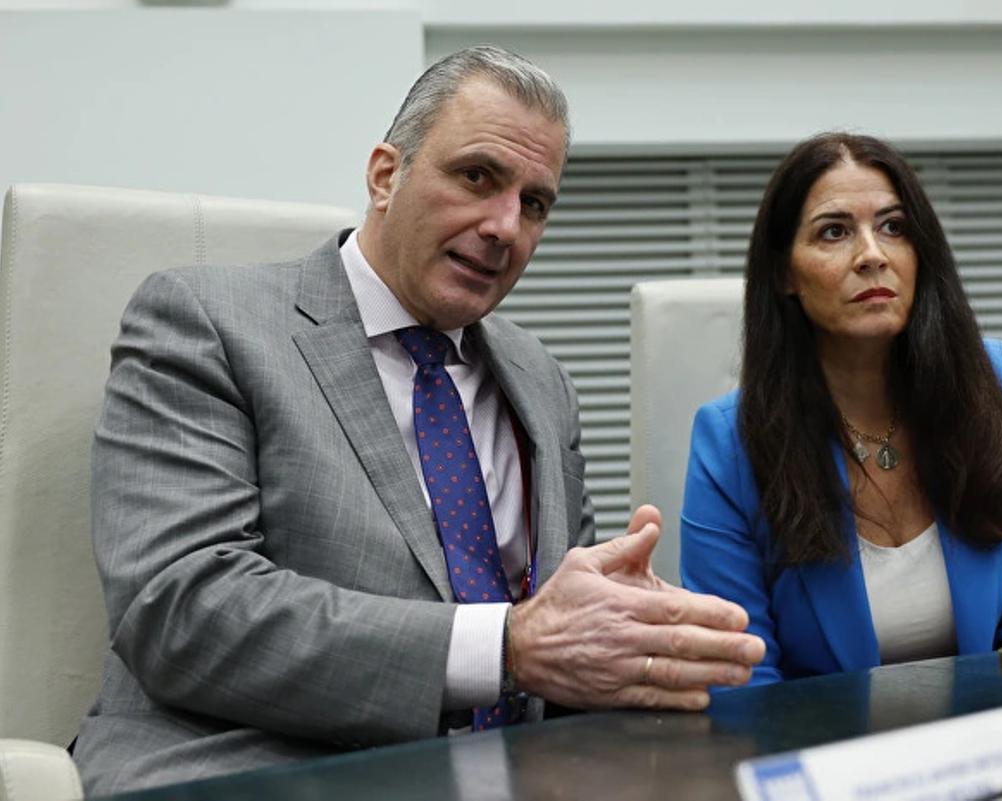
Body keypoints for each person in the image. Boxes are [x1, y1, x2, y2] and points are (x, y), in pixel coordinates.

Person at [73, 46, 764, 794]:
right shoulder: (208, 321)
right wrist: (505, 645)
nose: (505, 226)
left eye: (534, 203)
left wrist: (626, 639)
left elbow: (554, 642)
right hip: (255, 766)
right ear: (384, 175)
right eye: (477, 177)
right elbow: (179, 609)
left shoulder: (540, 380)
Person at [679, 132, 1002, 685]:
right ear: (784, 274)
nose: (873, 254)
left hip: (990, 752)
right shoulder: (731, 441)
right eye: (834, 232)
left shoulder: (998, 386)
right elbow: (744, 680)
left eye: (894, 227)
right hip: (820, 758)